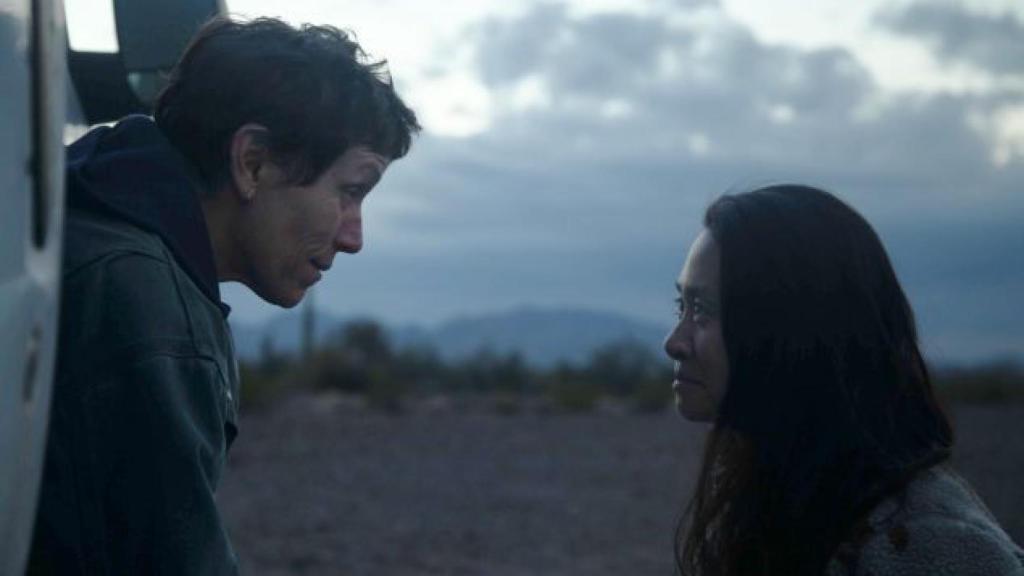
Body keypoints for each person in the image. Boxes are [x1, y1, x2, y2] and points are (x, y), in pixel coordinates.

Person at [28, 16, 419, 575]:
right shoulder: (147, 309)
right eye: (350, 191)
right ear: (252, 161)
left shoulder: (79, 215)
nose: (353, 237)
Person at [664, 185, 1024, 576]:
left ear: (793, 327)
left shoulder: (929, 544)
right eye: (681, 305)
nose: (674, 343)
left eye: (703, 309)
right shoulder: (777, 500)